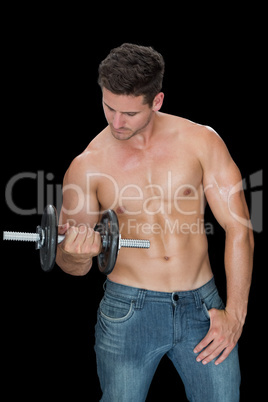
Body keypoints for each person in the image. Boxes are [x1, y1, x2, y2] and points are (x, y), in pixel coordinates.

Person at [56, 43, 254, 401]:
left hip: (202, 307)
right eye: (109, 107)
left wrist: (235, 314)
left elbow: (239, 228)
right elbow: (72, 265)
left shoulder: (201, 142)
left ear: (157, 101)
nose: (116, 123)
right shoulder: (87, 165)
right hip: (128, 310)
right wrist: (75, 252)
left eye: (129, 113)